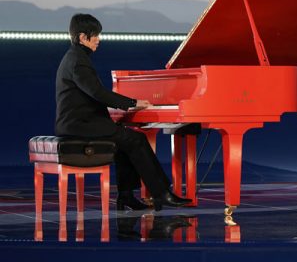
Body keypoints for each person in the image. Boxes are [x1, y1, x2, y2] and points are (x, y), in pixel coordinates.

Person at [55, 13, 193, 211]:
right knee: (136, 140)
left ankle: (126, 196)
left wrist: (123, 106)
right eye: (95, 35)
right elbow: (97, 92)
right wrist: (131, 103)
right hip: (80, 126)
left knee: (124, 142)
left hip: (78, 123)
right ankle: (162, 193)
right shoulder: (78, 60)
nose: (98, 40)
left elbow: (92, 94)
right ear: (82, 37)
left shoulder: (74, 57)